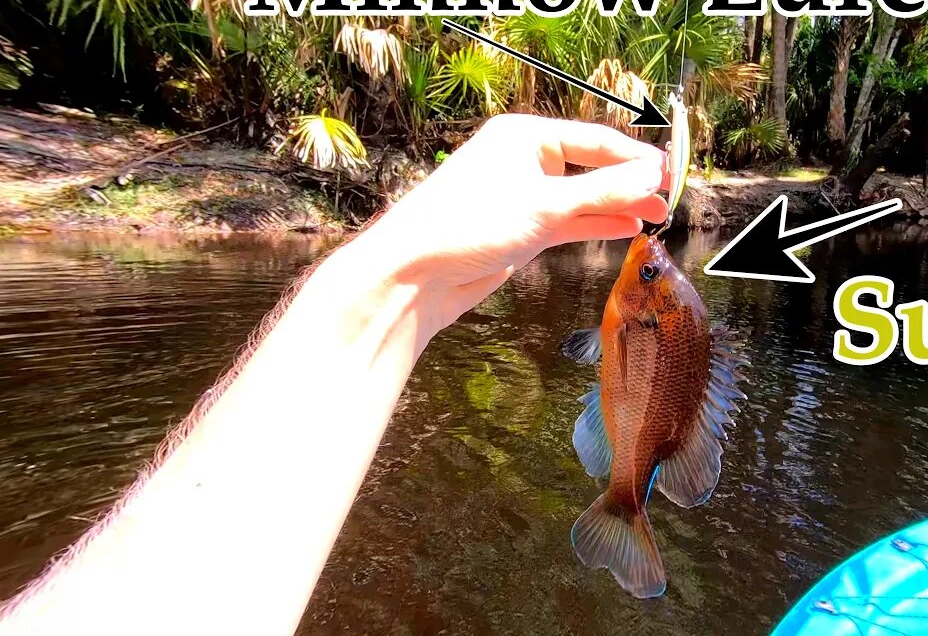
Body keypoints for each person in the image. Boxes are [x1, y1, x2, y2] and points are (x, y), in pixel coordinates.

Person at [0, 115, 670, 635]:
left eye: (653, 277)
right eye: (651, 275)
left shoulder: (639, 321)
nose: (650, 269)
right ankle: (625, 500)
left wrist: (402, 280)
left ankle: (625, 500)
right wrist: (401, 279)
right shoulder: (642, 319)